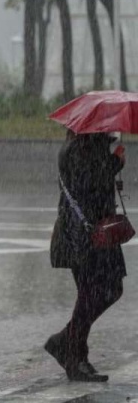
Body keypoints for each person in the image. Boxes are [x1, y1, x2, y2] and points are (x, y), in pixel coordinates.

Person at [46, 131, 126, 382]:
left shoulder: (89, 146)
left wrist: (111, 163)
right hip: (83, 234)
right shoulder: (79, 149)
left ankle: (66, 344)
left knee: (109, 289)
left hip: (96, 232)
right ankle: (75, 357)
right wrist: (115, 164)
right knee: (92, 294)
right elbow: (87, 185)